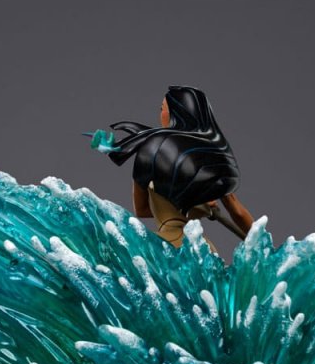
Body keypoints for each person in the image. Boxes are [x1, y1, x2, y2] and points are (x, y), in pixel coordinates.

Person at [96, 86, 254, 248]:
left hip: (165, 244)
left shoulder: (151, 149)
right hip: (201, 246)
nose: (160, 114)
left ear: (177, 112)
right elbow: (238, 212)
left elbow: (141, 210)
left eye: (162, 109)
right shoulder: (213, 153)